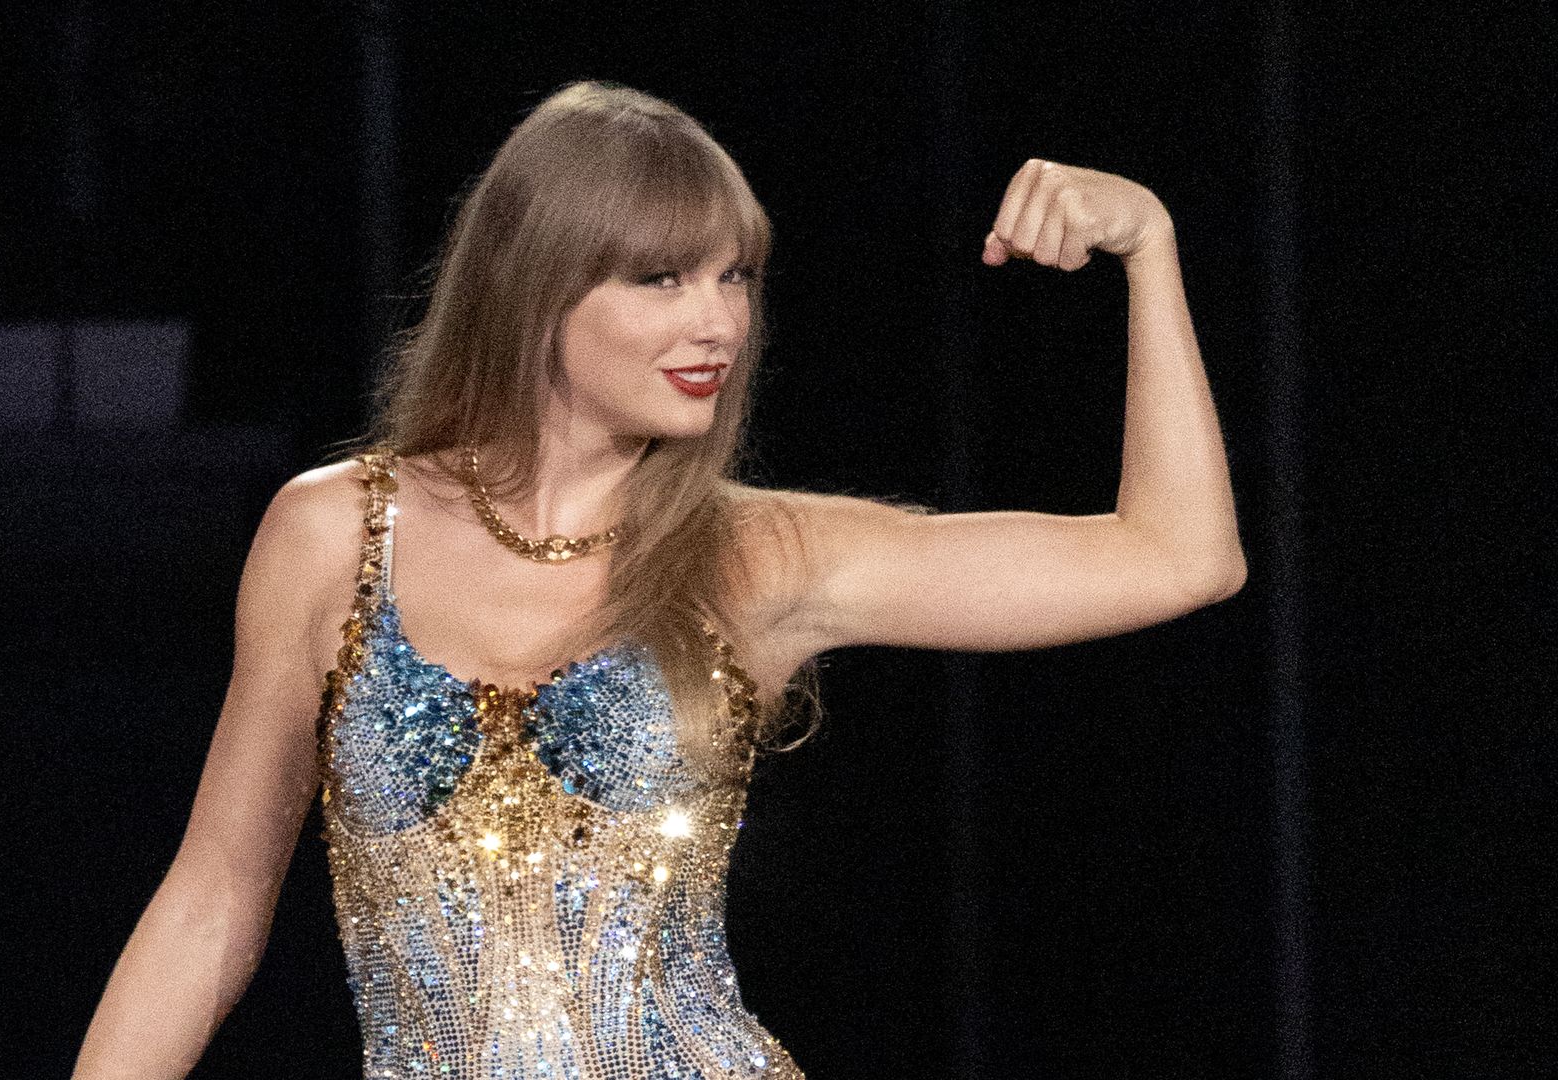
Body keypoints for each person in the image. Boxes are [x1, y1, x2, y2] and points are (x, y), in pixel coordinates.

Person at [70, 79, 1245, 1079]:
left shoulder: (759, 556)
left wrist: (1150, 244)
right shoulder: (332, 535)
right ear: (538, 288)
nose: (718, 325)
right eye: (665, 280)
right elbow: (214, 903)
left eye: (737, 278)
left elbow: (1178, 557)